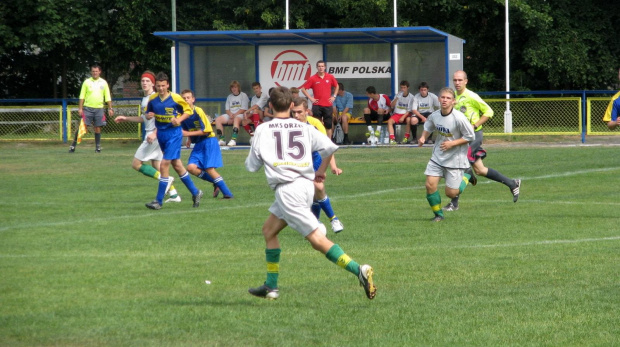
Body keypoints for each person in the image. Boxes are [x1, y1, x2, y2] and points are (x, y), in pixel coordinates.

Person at [245, 86, 376, 300]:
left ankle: (358, 270)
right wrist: (321, 171)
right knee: (269, 230)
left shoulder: (262, 130)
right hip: (305, 186)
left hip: (287, 190)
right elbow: (331, 147)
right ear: (290, 106)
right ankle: (271, 285)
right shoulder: (304, 128)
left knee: (316, 239)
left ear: (270, 106)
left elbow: (251, 166)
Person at [445, 70, 521, 211]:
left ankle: (454, 202)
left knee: (460, 166)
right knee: (480, 170)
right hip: (462, 138)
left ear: (466, 81)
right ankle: (512, 184)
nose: (457, 83)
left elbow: (489, 112)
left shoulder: (471, 96)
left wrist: (474, 125)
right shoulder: (453, 96)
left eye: (460, 80)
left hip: (473, 136)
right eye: (455, 80)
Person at [114, 70, 180, 203]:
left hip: (153, 136)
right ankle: (174, 194)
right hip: (154, 135)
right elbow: (144, 118)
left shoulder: (155, 98)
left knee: (136, 164)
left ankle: (167, 181)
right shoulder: (146, 99)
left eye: (147, 81)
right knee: (157, 165)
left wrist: (155, 133)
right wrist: (125, 118)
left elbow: (163, 117)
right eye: (143, 80)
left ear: (153, 83)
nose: (144, 83)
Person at [144, 72, 203, 210]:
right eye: (158, 86)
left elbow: (188, 111)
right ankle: (196, 192)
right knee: (177, 165)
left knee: (164, 165)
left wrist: (179, 120)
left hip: (174, 135)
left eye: (163, 85)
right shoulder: (152, 99)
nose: (161, 88)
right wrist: (148, 115)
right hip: (162, 135)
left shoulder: (176, 98)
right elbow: (147, 114)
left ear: (168, 85)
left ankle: (158, 201)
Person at [419, 87, 475, 222]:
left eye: (448, 98)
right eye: (443, 97)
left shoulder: (459, 118)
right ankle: (439, 215)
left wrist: (452, 143)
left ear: (453, 102)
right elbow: (428, 126)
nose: (445, 100)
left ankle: (467, 175)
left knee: (451, 193)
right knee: (430, 185)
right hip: (438, 156)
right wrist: (423, 137)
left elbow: (470, 136)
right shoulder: (435, 115)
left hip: (456, 159)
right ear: (439, 99)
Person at [291, 97, 344, 233]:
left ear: (307, 111)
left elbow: (328, 147)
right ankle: (315, 222)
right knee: (310, 195)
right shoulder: (288, 126)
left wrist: (330, 167)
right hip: (297, 165)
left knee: (317, 187)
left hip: (314, 161)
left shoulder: (314, 125)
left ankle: (334, 219)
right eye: (294, 112)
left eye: (299, 112)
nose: (296, 116)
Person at [180, 89, 233, 199]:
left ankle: (228, 194)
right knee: (191, 168)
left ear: (193, 99)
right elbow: (187, 129)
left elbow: (207, 130)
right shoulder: (183, 115)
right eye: (183, 98)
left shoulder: (198, 111)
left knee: (209, 169)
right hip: (199, 143)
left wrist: (188, 133)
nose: (186, 100)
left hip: (209, 141)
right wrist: (189, 138)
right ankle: (215, 182)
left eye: (188, 98)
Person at [69, 64, 114, 153]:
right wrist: (80, 108)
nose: (95, 73)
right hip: (87, 109)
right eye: (93, 71)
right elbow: (82, 96)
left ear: (99, 72)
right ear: (91, 72)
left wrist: (110, 108)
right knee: (82, 126)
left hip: (99, 109)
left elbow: (107, 96)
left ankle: (97, 147)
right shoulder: (86, 82)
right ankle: (73, 146)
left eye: (96, 71)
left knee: (97, 127)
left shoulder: (103, 82)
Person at [300, 60, 339, 139]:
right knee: (317, 124)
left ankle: (329, 142)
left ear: (325, 67)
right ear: (317, 67)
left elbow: (337, 86)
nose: (321, 68)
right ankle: (319, 141)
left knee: (328, 125)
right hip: (317, 105)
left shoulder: (330, 77)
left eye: (322, 66)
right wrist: (311, 98)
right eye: (319, 66)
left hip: (328, 105)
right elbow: (303, 89)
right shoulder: (313, 78)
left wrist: (334, 96)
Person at [214, 81, 250, 146]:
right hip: (231, 115)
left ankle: (233, 140)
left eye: (235, 87)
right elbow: (227, 109)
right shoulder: (229, 97)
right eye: (232, 87)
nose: (234, 89)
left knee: (236, 119)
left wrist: (233, 117)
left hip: (241, 115)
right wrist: (230, 116)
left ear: (238, 88)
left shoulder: (243, 95)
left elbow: (243, 109)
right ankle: (222, 140)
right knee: (218, 120)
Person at [387, 80, 415, 145]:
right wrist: (397, 98)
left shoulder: (411, 97)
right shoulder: (397, 95)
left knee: (408, 120)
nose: (402, 89)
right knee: (389, 122)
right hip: (397, 113)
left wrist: (403, 117)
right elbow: (392, 105)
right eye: (401, 87)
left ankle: (406, 137)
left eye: (404, 87)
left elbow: (409, 110)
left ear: (408, 88)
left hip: (406, 114)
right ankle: (392, 139)